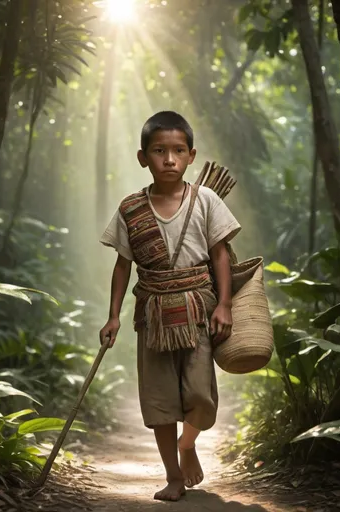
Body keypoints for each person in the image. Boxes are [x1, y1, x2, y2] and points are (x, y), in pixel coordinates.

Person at [99, 111, 241, 502]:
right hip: (153, 315)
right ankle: (173, 477)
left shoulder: (205, 200)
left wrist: (224, 304)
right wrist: (113, 316)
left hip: (197, 310)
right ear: (143, 157)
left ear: (192, 155)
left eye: (178, 150)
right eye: (159, 151)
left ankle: (187, 443)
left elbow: (220, 255)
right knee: (160, 401)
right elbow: (122, 265)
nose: (169, 159)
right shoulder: (130, 208)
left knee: (201, 395)